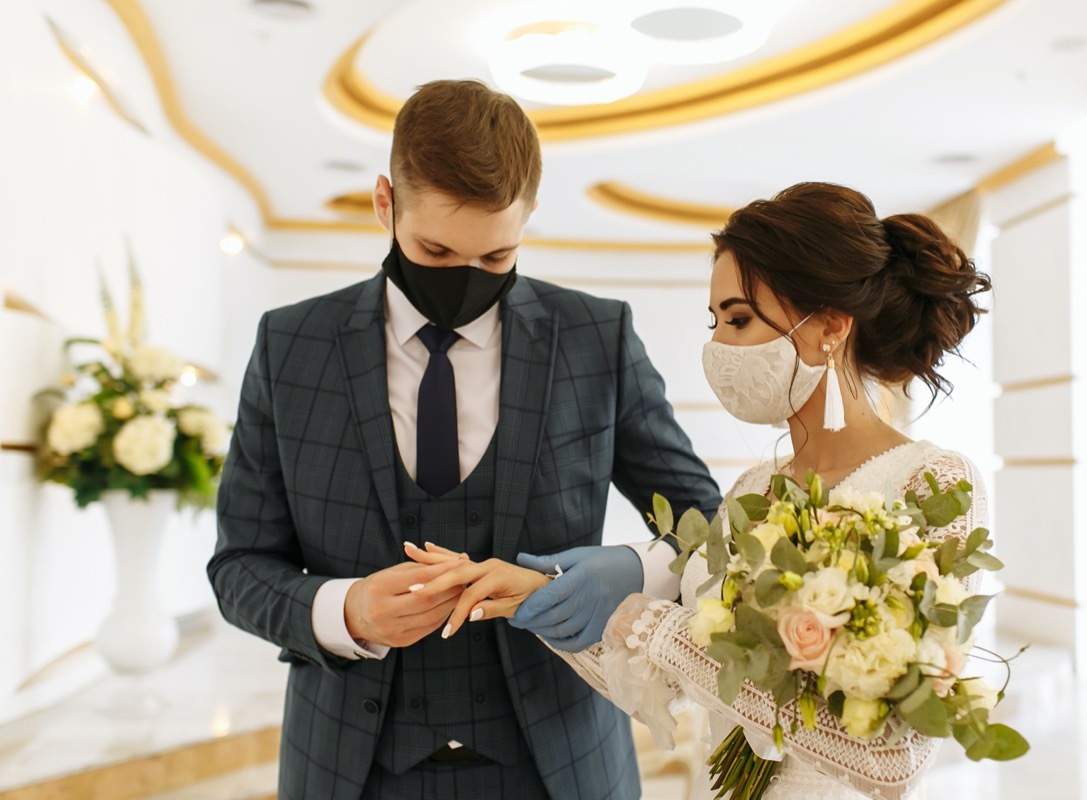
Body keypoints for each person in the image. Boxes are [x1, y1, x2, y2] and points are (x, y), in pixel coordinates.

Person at [208, 79, 721, 800]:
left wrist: (629, 572)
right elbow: (238, 564)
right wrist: (343, 610)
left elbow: (707, 525)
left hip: (563, 764)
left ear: (528, 218)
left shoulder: (595, 338)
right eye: (436, 251)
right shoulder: (291, 346)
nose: (466, 279)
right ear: (385, 203)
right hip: (348, 769)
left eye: (496, 258)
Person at [410, 181, 993, 799]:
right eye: (714, 321)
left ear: (830, 325)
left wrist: (646, 623)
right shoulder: (753, 491)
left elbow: (891, 760)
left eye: (739, 319)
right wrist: (539, 601)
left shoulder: (933, 484)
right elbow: (681, 682)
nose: (718, 346)